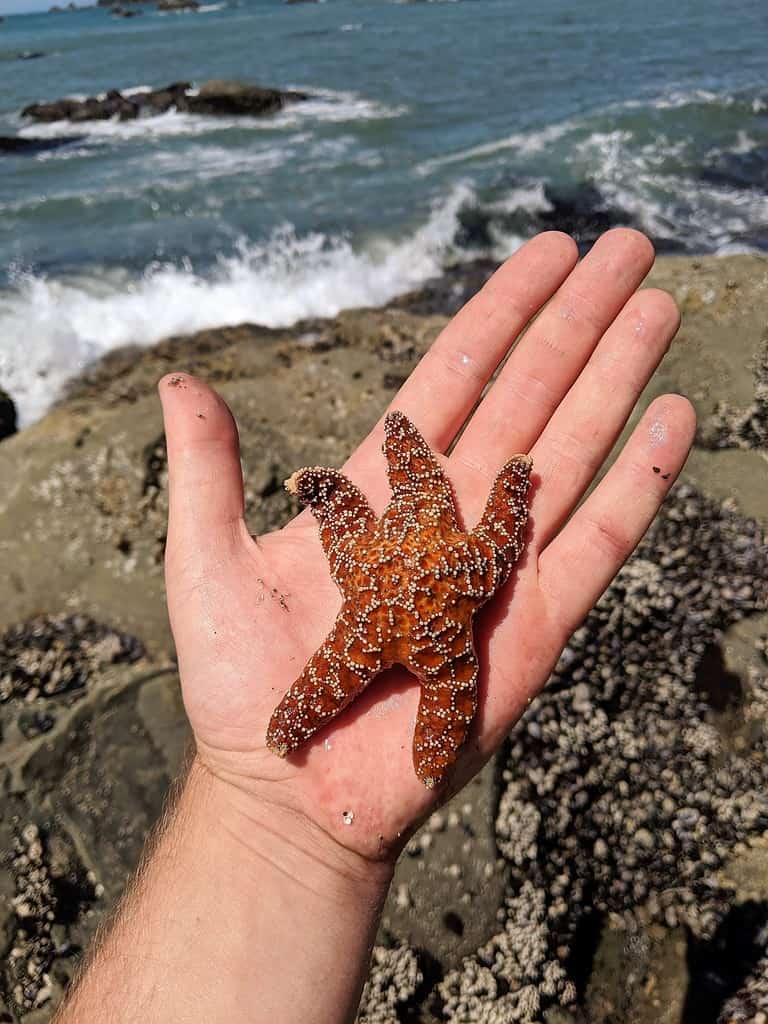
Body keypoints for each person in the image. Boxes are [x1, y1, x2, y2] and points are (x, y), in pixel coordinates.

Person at [53, 228, 695, 1024]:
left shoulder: (400, 568)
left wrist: (499, 495)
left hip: (397, 611)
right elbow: (449, 524)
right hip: (419, 614)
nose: (407, 464)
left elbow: (459, 524)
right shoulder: (437, 560)